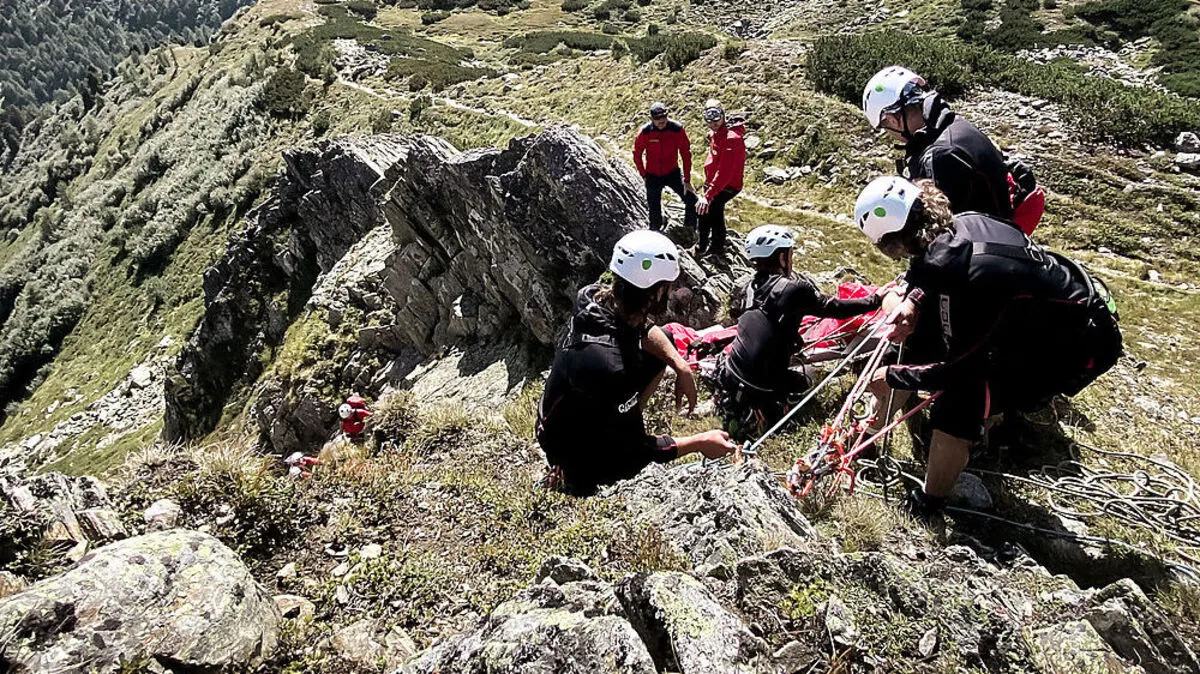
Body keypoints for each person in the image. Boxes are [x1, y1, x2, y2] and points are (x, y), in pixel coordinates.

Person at [852, 176, 1121, 521]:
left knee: (960, 401)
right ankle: (983, 433)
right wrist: (915, 302)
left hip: (1078, 344)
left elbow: (960, 369)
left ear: (896, 243)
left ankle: (930, 502)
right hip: (1067, 310)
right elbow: (929, 271)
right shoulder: (962, 224)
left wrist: (892, 375)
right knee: (932, 341)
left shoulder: (972, 278)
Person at [536, 230, 738, 494]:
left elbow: (645, 329)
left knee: (663, 343)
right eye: (669, 286)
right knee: (626, 459)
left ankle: (627, 413)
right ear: (655, 292)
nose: (672, 292)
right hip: (572, 452)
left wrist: (681, 366)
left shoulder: (592, 298)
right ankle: (615, 429)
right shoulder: (610, 368)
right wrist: (700, 441)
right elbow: (636, 451)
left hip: (561, 415)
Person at [715, 224, 893, 440]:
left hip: (732, 374)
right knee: (807, 377)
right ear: (782, 257)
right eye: (789, 253)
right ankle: (780, 412)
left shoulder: (747, 288)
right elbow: (833, 308)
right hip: (763, 384)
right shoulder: (795, 289)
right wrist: (875, 299)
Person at [862, 66, 1040, 226]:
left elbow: (948, 226)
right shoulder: (951, 124)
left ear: (894, 119)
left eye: (885, 126)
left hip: (985, 245)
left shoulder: (940, 155)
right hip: (1000, 226)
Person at [633, 102, 698, 233]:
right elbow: (637, 154)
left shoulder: (677, 129)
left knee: (691, 200)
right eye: (657, 119)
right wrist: (644, 175)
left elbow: (686, 154)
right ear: (651, 119)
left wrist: (687, 180)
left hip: (672, 173)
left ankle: (689, 231)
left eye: (664, 117)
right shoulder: (645, 132)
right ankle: (655, 234)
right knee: (654, 208)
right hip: (652, 175)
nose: (661, 121)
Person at [696, 100, 746, 258]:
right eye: (708, 120)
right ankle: (705, 246)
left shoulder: (732, 139)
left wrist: (708, 195)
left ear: (723, 115)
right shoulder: (716, 134)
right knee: (708, 212)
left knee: (712, 211)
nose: (713, 123)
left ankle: (714, 250)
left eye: (716, 118)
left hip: (728, 185)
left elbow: (725, 172)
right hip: (714, 183)